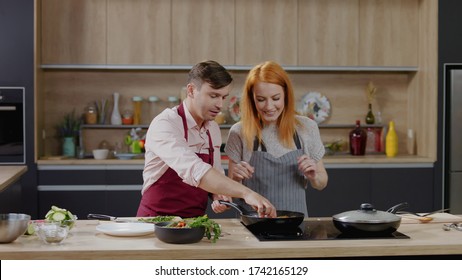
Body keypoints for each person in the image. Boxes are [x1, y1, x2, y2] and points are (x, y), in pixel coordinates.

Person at [137, 60, 276, 218]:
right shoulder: (166, 124)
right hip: (155, 223)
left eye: (223, 97)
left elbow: (214, 174)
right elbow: (196, 170)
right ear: (191, 90)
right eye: (213, 95)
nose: (219, 105)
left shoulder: (212, 129)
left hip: (195, 224)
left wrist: (218, 195)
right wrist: (247, 193)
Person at [225, 61, 328, 216]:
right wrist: (236, 178)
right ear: (252, 99)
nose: (269, 106)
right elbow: (231, 193)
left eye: (275, 98)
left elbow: (322, 183)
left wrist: (314, 177)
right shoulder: (239, 132)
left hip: (295, 227)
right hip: (253, 227)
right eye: (261, 99)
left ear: (286, 95)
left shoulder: (307, 128)